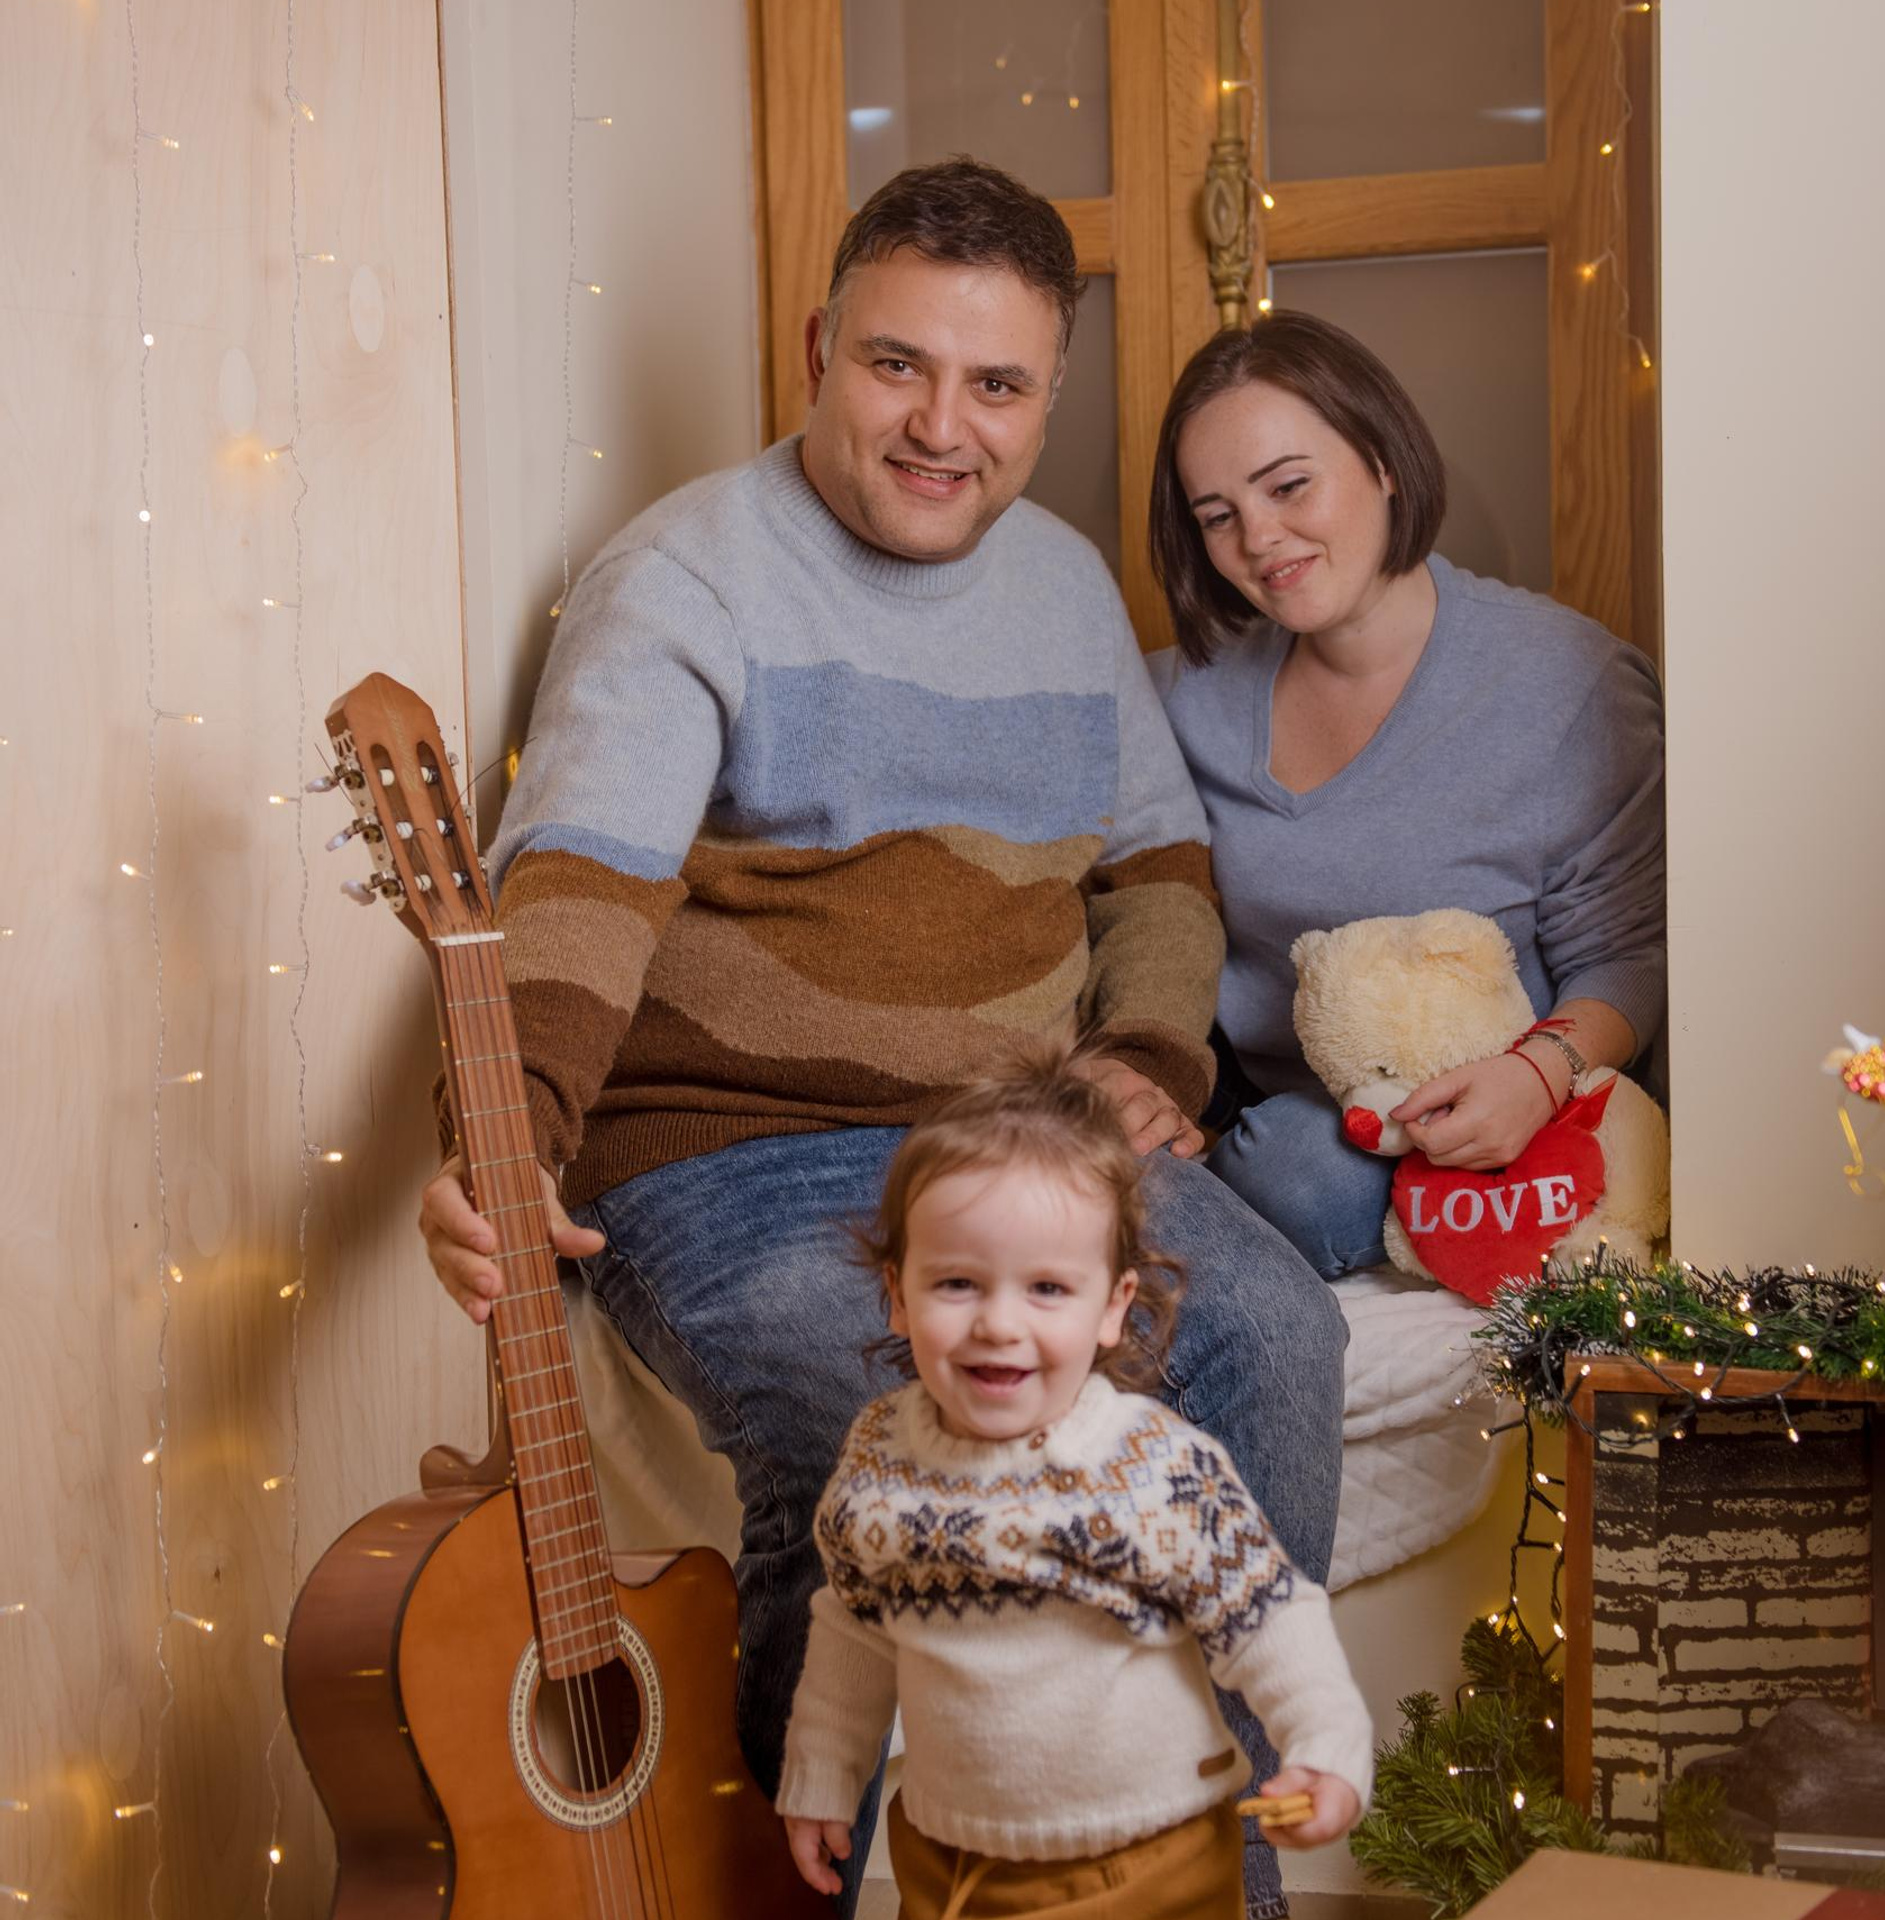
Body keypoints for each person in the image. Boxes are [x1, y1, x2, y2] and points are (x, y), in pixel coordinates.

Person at [416, 161, 1346, 1918]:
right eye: (897, 365)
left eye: (996, 385)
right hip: (733, 1148)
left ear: (1047, 401)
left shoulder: (1066, 588)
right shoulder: (684, 574)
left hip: (1019, 1135)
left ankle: (1187, 1885)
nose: (942, 426)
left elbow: (1157, 872)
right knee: (872, 1406)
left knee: (1274, 1332)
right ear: (818, 351)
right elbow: (580, 886)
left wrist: (1150, 1056)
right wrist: (509, 1131)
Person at [778, 1048, 1371, 1917]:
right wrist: (823, 1772)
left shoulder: (1151, 1467)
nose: (999, 1323)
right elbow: (855, 1626)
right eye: (956, 1283)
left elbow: (1269, 1615)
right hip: (953, 1864)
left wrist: (1325, 1744)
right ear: (897, 1294)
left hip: (1152, 1860)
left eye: (1048, 1288)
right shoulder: (880, 1460)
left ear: (1112, 1306)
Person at [1147, 311, 1666, 1280]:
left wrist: (1537, 1074)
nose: (1259, 538)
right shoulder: (1183, 699)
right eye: (1217, 515)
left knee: (1304, 1178)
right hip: (1277, 1115)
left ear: (1384, 461)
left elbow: (1631, 956)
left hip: (1490, 1113)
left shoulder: (1571, 683)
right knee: (1290, 1160)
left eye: (1289, 486)